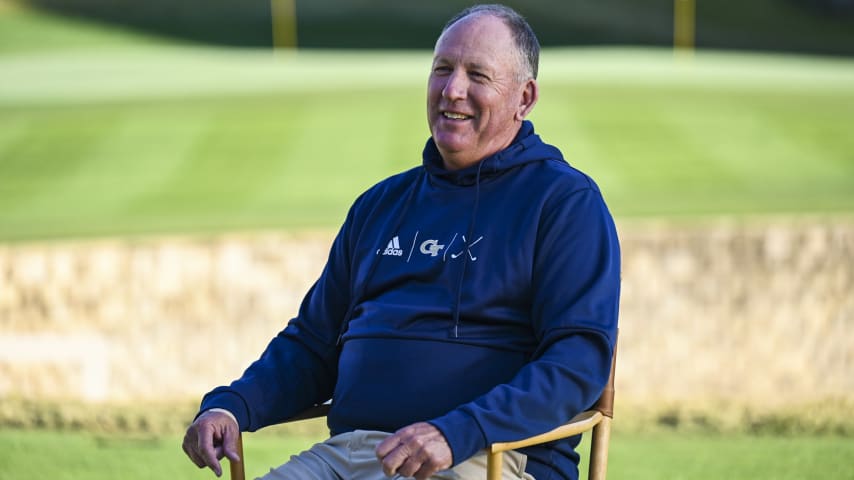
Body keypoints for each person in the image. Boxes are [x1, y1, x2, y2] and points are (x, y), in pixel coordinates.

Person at [182, 4, 620, 480]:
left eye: (478, 75)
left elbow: (578, 361)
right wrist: (232, 405)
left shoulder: (564, 203)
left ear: (524, 98)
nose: (453, 90)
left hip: (489, 457)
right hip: (347, 455)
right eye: (442, 70)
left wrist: (459, 431)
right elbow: (311, 345)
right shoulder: (380, 205)